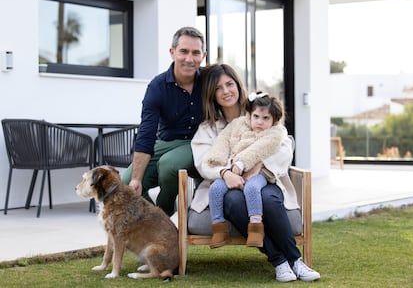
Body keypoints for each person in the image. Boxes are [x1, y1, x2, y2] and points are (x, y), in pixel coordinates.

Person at [191, 63, 320, 282]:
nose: (225, 91)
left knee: (268, 201)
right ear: (212, 95)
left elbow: (284, 145)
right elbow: (204, 161)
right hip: (228, 186)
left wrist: (259, 164)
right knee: (233, 202)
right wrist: (225, 172)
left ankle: (296, 261)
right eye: (218, 88)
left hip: (266, 179)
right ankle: (279, 262)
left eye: (229, 84)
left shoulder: (262, 111)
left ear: (238, 85)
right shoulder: (208, 127)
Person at [122, 26, 206, 217]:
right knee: (128, 183)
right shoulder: (158, 86)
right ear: (172, 52)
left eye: (195, 53)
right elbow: (146, 134)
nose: (189, 59)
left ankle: (164, 209)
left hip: (200, 143)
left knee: (170, 165)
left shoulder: (210, 80)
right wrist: (136, 179)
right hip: (166, 142)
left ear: (203, 55)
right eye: (183, 51)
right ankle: (157, 220)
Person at [207, 91, 286, 249]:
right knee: (215, 188)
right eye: (256, 116)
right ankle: (219, 228)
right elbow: (223, 139)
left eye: (266, 118)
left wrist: (242, 163)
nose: (259, 122)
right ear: (249, 114)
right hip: (233, 171)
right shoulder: (238, 125)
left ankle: (256, 229)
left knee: (252, 187)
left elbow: (258, 149)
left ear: (274, 120)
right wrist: (218, 158)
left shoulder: (274, 133)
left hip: (258, 173)